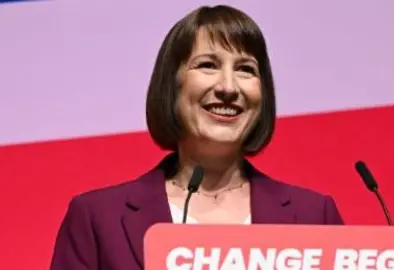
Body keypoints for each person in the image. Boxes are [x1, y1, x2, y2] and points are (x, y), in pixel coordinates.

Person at [50, 4, 344, 270]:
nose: (228, 87)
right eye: (208, 65)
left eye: (245, 69)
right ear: (172, 85)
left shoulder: (315, 216)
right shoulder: (98, 219)